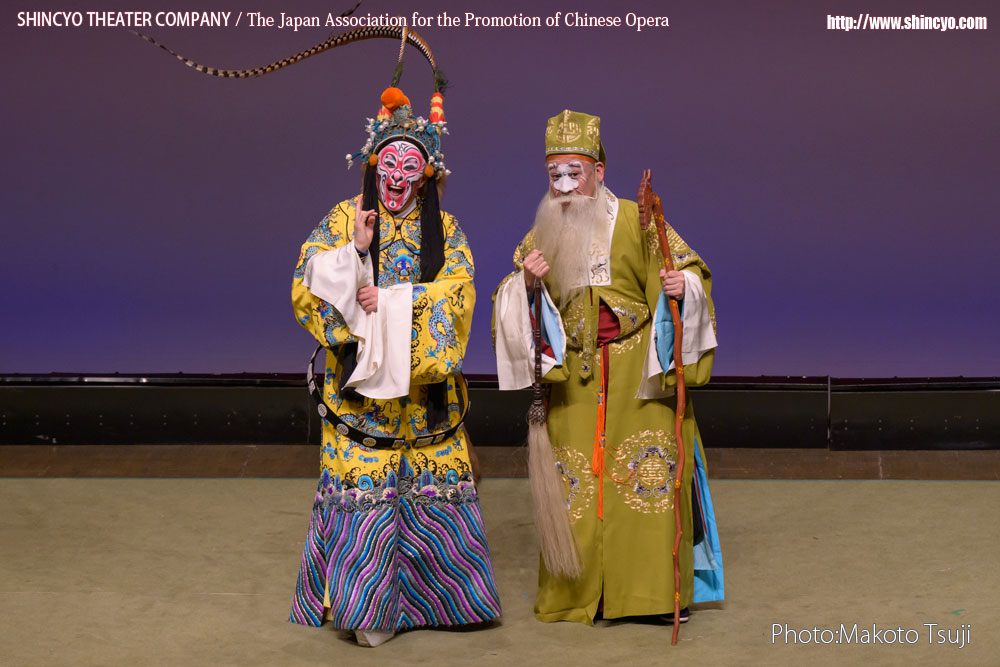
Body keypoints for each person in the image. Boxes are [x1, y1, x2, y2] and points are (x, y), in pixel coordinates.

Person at [493, 110, 724, 625]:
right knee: (574, 491)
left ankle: (651, 597)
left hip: (637, 373)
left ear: (600, 169)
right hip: (574, 377)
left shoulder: (637, 219)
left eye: (576, 172)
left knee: (649, 485)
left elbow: (685, 266)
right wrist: (526, 287)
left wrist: (682, 288)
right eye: (555, 175)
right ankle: (582, 595)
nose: (566, 185)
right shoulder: (542, 233)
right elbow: (511, 301)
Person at [289, 87, 501, 647]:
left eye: (410, 167)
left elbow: (459, 297)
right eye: (388, 165)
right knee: (368, 494)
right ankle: (369, 607)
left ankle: (441, 600)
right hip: (361, 398)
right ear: (373, 167)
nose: (397, 178)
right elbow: (306, 283)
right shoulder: (344, 219)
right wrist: (355, 255)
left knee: (428, 487)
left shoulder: (447, 231)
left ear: (428, 175)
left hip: (425, 402)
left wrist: (396, 302)